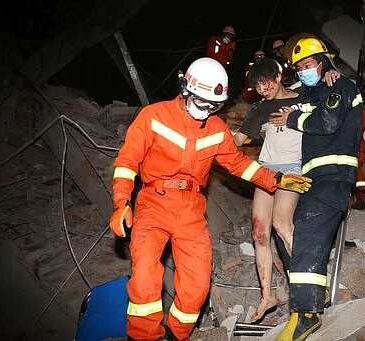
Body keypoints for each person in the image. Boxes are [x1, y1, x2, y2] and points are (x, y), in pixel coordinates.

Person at [108, 57, 312, 341]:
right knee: (144, 276)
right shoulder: (153, 116)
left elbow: (239, 163)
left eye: (214, 106)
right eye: (202, 103)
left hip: (191, 208)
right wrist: (121, 203)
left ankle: (175, 336)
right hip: (153, 202)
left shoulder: (215, 128)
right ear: (185, 90)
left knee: (197, 282)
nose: (207, 112)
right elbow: (127, 161)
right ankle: (144, 337)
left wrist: (275, 180)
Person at [270, 36, 363, 340]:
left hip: (333, 176)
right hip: (315, 178)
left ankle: (306, 315)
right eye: (299, 68)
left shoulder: (340, 86)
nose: (303, 71)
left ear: (324, 61)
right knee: (287, 232)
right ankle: (315, 292)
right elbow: (302, 99)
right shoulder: (319, 89)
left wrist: (294, 118)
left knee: (307, 234)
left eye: (308, 65)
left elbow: (327, 121)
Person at [233, 57, 304, 323]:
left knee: (281, 223)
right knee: (259, 232)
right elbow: (238, 140)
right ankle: (268, 296)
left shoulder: (304, 98)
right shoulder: (260, 109)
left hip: (293, 169)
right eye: (257, 86)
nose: (263, 89)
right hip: (266, 171)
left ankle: (309, 285)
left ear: (277, 75)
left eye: (266, 82)